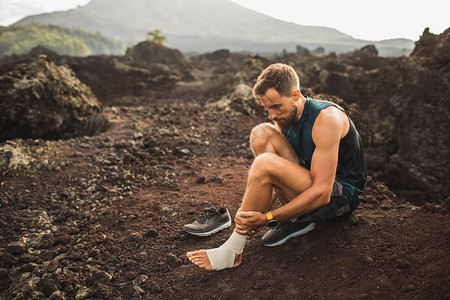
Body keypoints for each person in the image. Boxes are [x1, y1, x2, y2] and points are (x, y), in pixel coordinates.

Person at [186, 63, 367, 271]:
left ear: (296, 95)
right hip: (308, 182)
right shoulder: (285, 117)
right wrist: (254, 214)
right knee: (261, 132)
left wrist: (268, 218)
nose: (271, 115)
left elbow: (323, 193)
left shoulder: (327, 119)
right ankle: (297, 219)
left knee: (264, 162)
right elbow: (274, 177)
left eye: (276, 106)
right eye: (267, 108)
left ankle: (233, 250)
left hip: (339, 198)